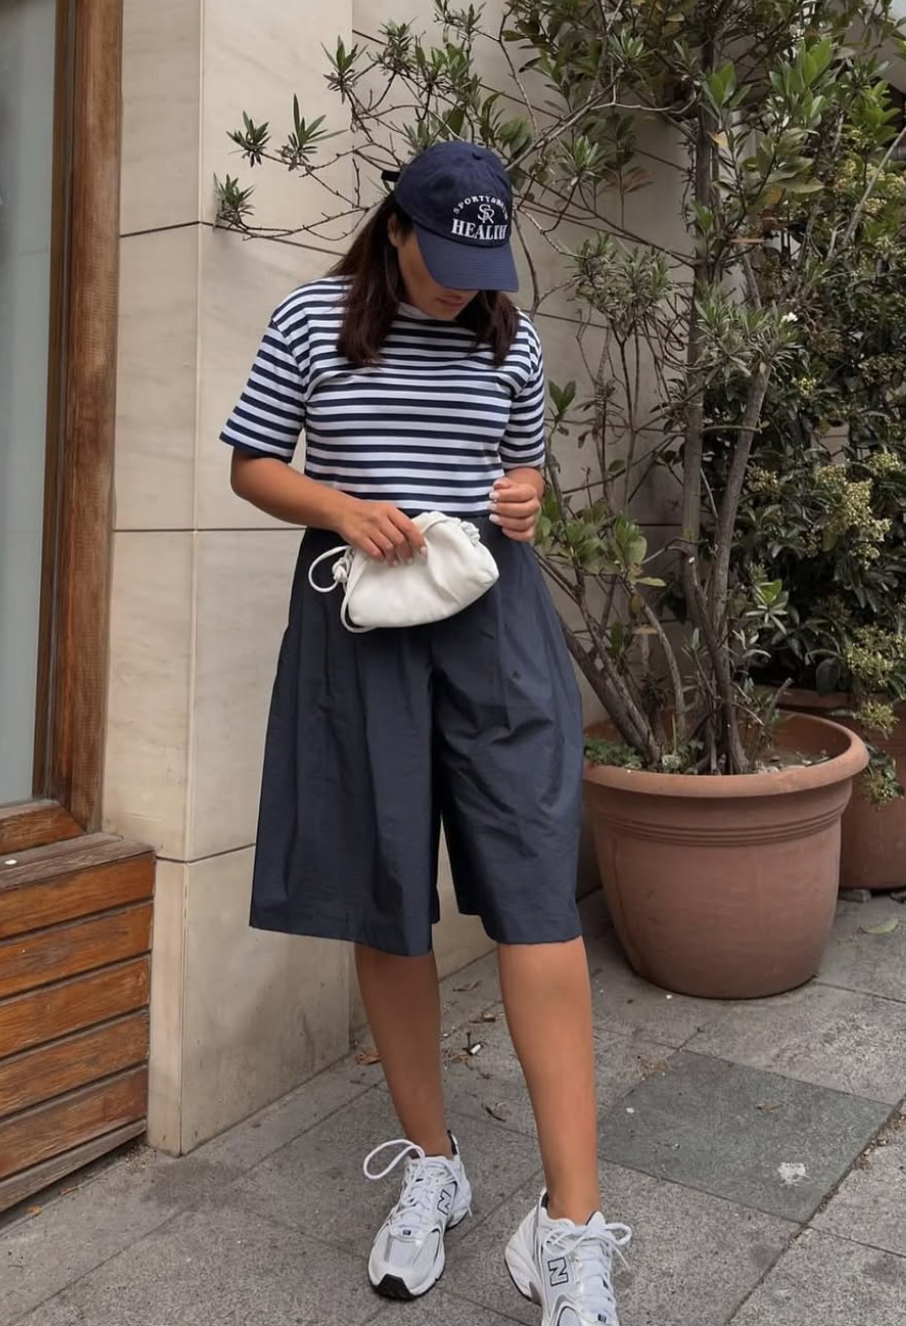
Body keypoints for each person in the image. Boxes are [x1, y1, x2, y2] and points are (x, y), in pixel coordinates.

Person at [223, 140, 631, 1325]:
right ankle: (434, 1166)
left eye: (480, 260)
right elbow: (253, 463)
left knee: (536, 897)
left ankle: (569, 1226)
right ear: (395, 228)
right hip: (359, 620)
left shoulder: (508, 333)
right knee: (384, 894)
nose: (461, 281)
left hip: (492, 619)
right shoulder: (310, 321)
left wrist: (525, 498)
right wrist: (340, 502)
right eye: (443, 256)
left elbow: (523, 480)